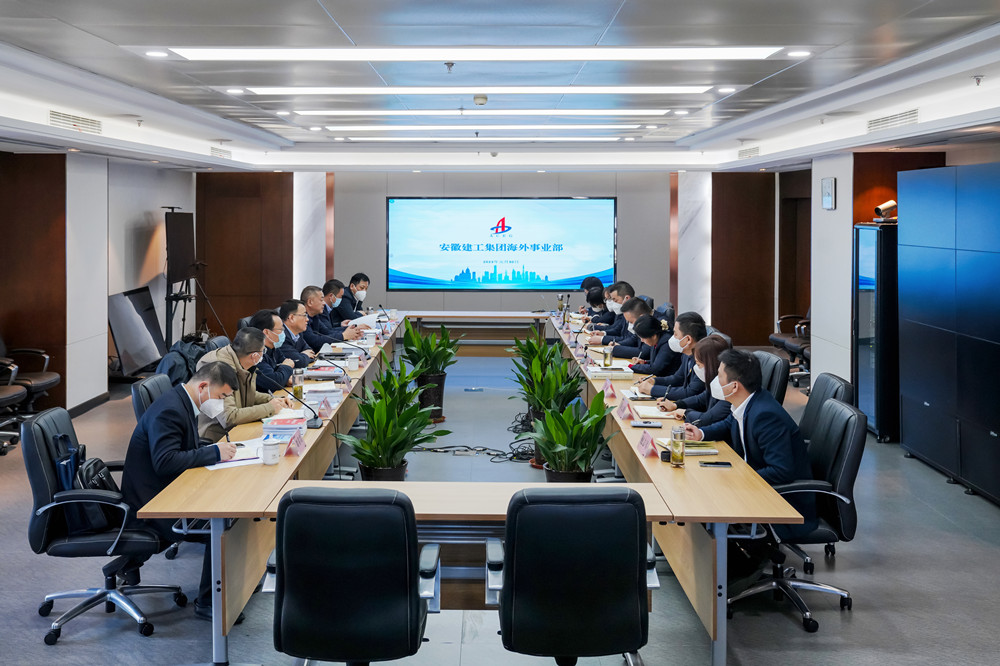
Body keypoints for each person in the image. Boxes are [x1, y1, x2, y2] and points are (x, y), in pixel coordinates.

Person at [121, 362, 240, 621]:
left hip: (171, 490)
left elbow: (183, 450)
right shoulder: (170, 410)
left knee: (233, 508)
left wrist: (211, 453)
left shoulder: (184, 401)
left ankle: (236, 585)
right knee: (220, 525)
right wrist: (213, 453)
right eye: (221, 396)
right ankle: (208, 602)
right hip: (153, 503)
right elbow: (165, 462)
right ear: (204, 386)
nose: (221, 403)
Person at [684, 349, 817, 541]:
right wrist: (701, 433)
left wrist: (737, 478)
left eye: (719, 376)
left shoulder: (766, 416)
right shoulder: (750, 400)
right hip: (757, 485)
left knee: (707, 497)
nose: (715, 380)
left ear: (734, 386)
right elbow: (729, 422)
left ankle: (729, 553)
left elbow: (781, 471)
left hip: (783, 502)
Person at [195, 327, 293, 442]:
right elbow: (229, 417)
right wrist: (269, 407)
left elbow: (246, 395)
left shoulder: (238, 360)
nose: (263, 355)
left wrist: (273, 399)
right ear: (255, 356)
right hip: (218, 437)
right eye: (263, 351)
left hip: (238, 429)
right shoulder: (218, 370)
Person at [657, 334, 732, 426]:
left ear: (710, 365)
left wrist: (686, 413)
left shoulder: (729, 389)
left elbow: (708, 418)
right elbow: (701, 399)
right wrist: (676, 405)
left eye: (698, 364)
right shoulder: (714, 381)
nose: (696, 368)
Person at [637, 311, 706, 399]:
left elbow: (690, 392)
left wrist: (652, 390)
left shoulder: (703, 360)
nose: (672, 337)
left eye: (675, 334)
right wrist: (654, 381)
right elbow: (677, 378)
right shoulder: (686, 354)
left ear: (688, 339)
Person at [249, 309, 295, 388]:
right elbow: (275, 382)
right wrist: (286, 367)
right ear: (267, 332)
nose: (283, 333)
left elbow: (288, 369)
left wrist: (285, 378)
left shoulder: (274, 348)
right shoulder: (255, 354)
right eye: (280, 329)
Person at [278, 299, 314, 367]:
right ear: (291, 318)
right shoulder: (281, 336)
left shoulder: (298, 333)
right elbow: (299, 362)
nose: (307, 319)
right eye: (304, 315)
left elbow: (310, 352)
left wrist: (302, 356)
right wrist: (304, 356)